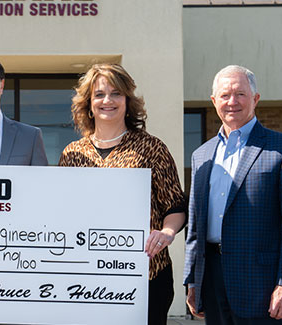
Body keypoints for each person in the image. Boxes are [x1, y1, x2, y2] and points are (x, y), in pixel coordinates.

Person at [58, 63, 186, 325]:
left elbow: (174, 206)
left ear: (128, 100)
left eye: (116, 93)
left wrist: (167, 233)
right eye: (99, 94)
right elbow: (63, 213)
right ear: (88, 103)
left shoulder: (151, 147)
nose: (108, 100)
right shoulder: (72, 153)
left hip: (147, 274)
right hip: (86, 276)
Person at [183, 65, 282, 324]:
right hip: (212, 280)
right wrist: (193, 279)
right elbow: (195, 225)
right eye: (225, 95)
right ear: (214, 101)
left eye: (240, 94)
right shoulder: (201, 155)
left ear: (255, 99)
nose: (232, 102)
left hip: (264, 284)